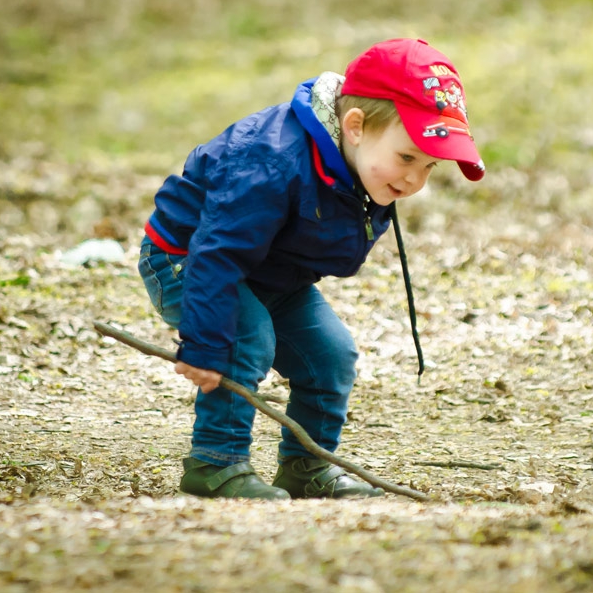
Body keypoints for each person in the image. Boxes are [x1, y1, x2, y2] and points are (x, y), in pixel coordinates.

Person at [138, 38, 485, 500]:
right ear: (355, 126)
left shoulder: (355, 164)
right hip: (189, 261)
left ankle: (307, 467)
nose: (414, 181)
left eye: (429, 166)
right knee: (245, 336)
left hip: (270, 270)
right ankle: (215, 463)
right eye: (406, 158)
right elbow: (217, 253)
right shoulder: (271, 160)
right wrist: (203, 344)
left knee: (331, 355)